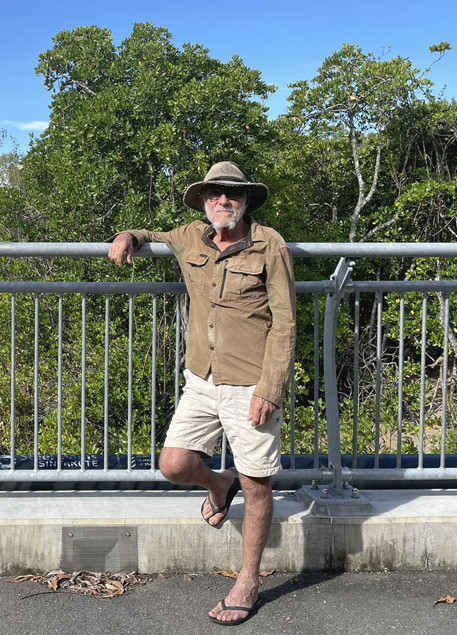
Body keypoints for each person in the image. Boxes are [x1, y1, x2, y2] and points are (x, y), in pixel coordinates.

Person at [108, 161, 296, 626]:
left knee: (257, 482)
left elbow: (285, 321)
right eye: (214, 194)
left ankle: (248, 580)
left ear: (246, 200)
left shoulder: (269, 244)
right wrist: (128, 236)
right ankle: (218, 482)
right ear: (204, 202)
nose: (222, 201)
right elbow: (149, 232)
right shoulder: (192, 236)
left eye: (231, 194)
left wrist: (271, 386)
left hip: (251, 380)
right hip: (201, 377)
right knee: (174, 464)